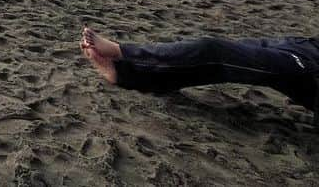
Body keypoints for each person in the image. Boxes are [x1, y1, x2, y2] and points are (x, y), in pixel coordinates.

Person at [81, 26, 319, 125]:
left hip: (310, 69)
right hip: (304, 47)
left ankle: (122, 52)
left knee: (214, 50)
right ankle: (125, 75)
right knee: (217, 61)